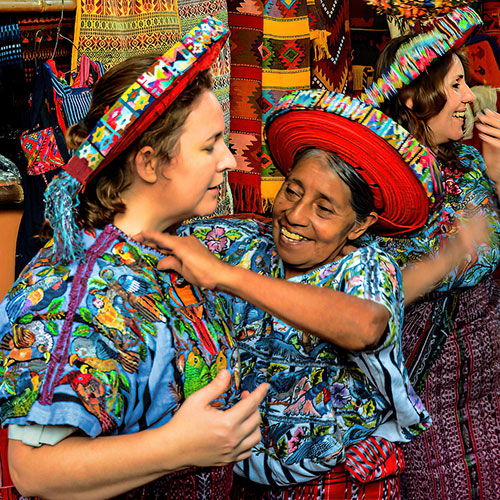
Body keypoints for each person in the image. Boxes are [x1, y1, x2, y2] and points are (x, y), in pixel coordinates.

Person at [139, 88, 487, 499]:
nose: (296, 214)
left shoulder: (367, 268)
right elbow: (147, 235)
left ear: (358, 226)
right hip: (242, 477)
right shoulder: (241, 242)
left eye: (325, 208)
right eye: (292, 190)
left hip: (337, 484)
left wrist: (226, 277)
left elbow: (366, 323)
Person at [0, 17, 269, 500]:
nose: (229, 161)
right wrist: (178, 446)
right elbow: (33, 469)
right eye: (210, 145)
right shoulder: (79, 286)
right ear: (148, 162)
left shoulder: (173, 249)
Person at [360, 6, 500, 499]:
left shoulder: (468, 158)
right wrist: (452, 257)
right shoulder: (384, 180)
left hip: (486, 387)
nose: (469, 95)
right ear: (419, 95)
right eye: (457, 84)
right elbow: (376, 285)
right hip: (429, 388)